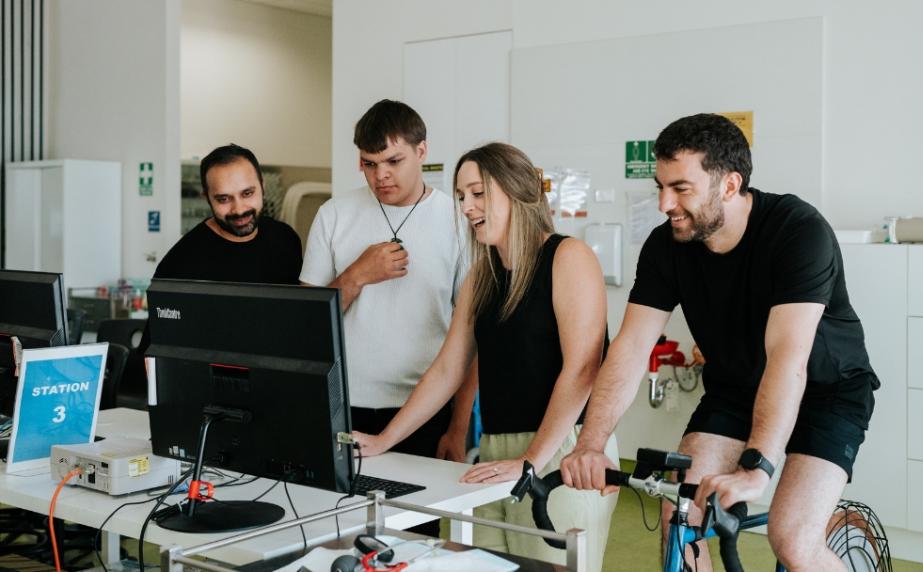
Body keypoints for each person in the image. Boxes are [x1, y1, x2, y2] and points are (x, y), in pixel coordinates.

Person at [560, 114, 879, 571]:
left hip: (827, 392)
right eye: (660, 187)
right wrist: (591, 442)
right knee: (680, 515)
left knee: (791, 539)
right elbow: (630, 348)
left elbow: (787, 359)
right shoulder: (666, 246)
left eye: (681, 188)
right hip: (736, 389)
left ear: (730, 184)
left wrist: (756, 468)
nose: (664, 203)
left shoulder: (798, 231)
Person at [353, 142, 618, 570]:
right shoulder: (483, 274)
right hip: (496, 451)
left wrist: (530, 460)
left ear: (516, 191)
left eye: (478, 194)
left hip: (560, 449)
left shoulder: (569, 257)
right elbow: (447, 369)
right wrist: (386, 439)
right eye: (461, 196)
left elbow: (583, 370)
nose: (466, 207)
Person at [300, 101, 476, 536]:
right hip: (343, 409)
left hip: (425, 412)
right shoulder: (335, 214)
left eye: (394, 161)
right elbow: (305, 325)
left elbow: (472, 339)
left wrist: (459, 426)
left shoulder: (459, 221)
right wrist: (357, 275)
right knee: (334, 534)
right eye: (369, 163)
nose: (381, 175)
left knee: (415, 539)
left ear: (422, 151)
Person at [153, 143, 302, 283]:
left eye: (247, 193)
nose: (239, 210)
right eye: (223, 199)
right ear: (207, 198)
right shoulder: (180, 264)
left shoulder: (286, 239)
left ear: (262, 187)